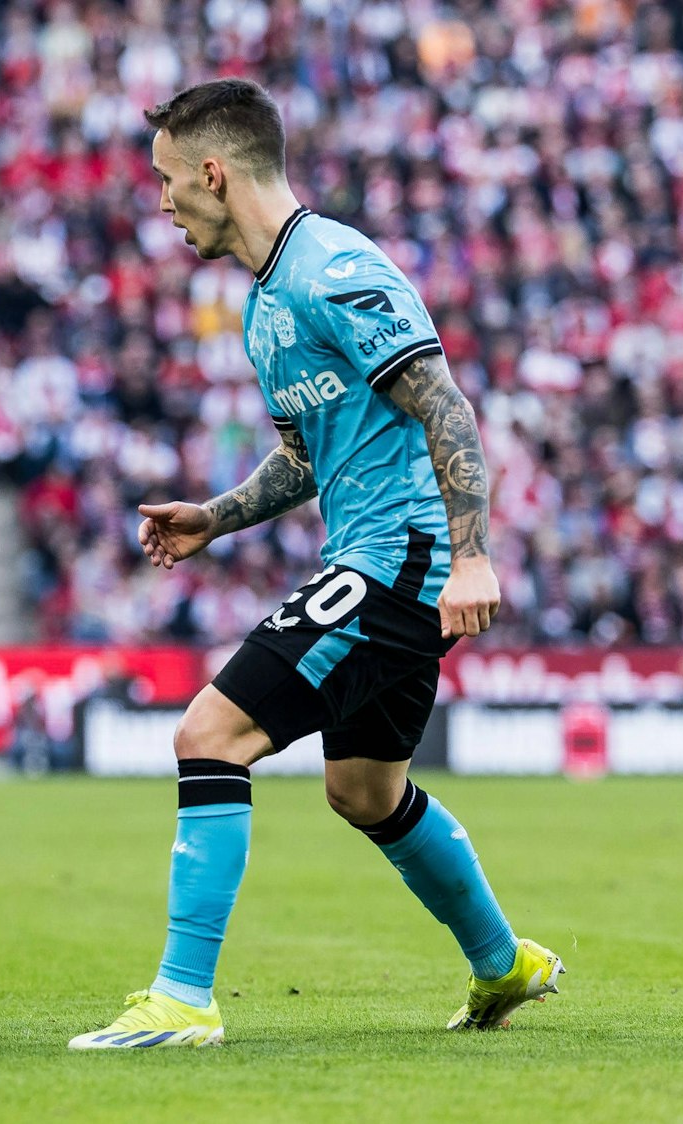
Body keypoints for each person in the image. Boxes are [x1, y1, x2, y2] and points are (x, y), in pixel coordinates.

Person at [70, 79, 562, 1050]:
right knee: (364, 791)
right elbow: (307, 454)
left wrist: (471, 557)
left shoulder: (335, 268)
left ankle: (181, 997)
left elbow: (446, 406)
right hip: (379, 553)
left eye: (169, 180)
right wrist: (215, 516)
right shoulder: (263, 301)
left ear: (215, 172)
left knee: (210, 734)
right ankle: (502, 959)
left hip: (401, 560)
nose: (160, 200)